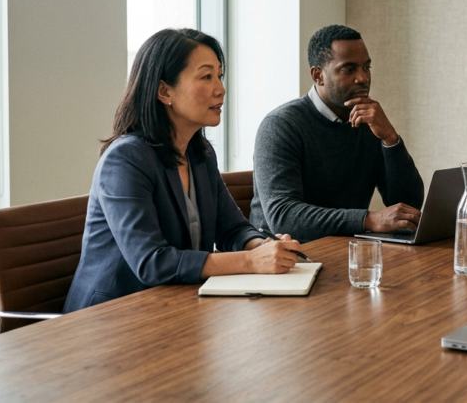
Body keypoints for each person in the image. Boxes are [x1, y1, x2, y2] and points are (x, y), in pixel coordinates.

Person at [64, 29, 301, 313]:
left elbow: (233, 228)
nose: (221, 89)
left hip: (173, 307)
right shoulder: (125, 159)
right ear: (164, 91)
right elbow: (152, 263)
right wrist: (250, 261)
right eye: (206, 76)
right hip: (109, 320)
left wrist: (262, 246)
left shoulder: (200, 153)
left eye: (220, 76)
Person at [250, 25, 424, 243]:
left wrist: (390, 140)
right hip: (284, 260)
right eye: (349, 69)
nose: (363, 78)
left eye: (366, 67)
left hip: (345, 252)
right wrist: (367, 220)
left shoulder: (369, 122)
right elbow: (283, 217)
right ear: (318, 75)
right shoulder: (280, 125)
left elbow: (409, 209)